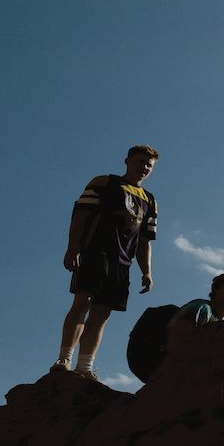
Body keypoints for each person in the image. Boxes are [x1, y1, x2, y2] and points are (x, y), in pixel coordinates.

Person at [54, 144, 161, 380]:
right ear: (127, 160)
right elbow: (80, 215)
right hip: (95, 251)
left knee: (102, 313)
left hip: (123, 262)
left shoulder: (150, 201)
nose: (144, 168)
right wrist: (73, 247)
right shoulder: (103, 182)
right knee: (83, 302)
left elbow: (145, 239)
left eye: (149, 165)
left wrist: (147, 271)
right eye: (140, 162)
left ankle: (86, 366)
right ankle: (64, 358)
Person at [124, 269, 224, 384]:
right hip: (155, 362)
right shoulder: (202, 308)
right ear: (216, 288)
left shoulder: (216, 320)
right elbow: (176, 343)